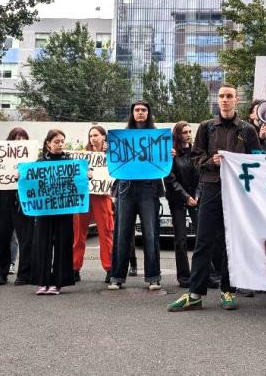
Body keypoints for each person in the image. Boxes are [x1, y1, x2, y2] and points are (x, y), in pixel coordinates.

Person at [167, 83, 262, 312]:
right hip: (211, 188)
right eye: (221, 96)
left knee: (231, 242)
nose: (225, 100)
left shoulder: (248, 130)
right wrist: (212, 162)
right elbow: (196, 158)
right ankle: (195, 293)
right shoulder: (206, 128)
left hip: (238, 193)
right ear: (217, 100)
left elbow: (258, 161)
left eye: (229, 96)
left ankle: (227, 290)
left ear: (236, 100)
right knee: (203, 240)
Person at [109, 100, 163, 291]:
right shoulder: (122, 137)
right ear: (132, 114)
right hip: (126, 188)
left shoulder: (157, 138)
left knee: (151, 233)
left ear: (149, 113)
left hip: (148, 189)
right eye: (137, 110)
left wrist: (169, 154)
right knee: (122, 233)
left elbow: (163, 163)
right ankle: (117, 276)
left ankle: (153, 277)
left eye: (144, 110)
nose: (140, 113)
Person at [30, 129, 76, 295]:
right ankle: (43, 282)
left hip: (64, 210)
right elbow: (30, 180)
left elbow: (80, 177)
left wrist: (88, 174)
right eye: (56, 141)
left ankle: (58, 283)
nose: (60, 144)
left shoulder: (70, 161)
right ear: (48, 143)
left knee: (63, 245)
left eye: (62, 141)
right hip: (44, 210)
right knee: (43, 245)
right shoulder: (39, 162)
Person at [0, 127, 33, 286]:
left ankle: (25, 274)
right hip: (2, 200)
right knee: (1, 238)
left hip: (24, 201)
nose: (20, 141)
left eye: (23, 138)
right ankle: (0, 273)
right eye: (16, 138)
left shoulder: (32, 158)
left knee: (26, 238)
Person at [72, 126, 115, 283]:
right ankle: (75, 268)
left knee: (106, 232)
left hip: (102, 196)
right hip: (83, 196)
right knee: (78, 233)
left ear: (104, 137)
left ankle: (110, 268)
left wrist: (109, 152)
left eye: (96, 135)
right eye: (91, 135)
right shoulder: (83, 155)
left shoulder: (111, 153)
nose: (93, 138)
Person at [163, 121, 200, 288]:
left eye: (189, 131)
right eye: (184, 132)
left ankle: (205, 273)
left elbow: (202, 176)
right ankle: (184, 277)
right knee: (181, 239)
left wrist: (196, 195)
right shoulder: (171, 154)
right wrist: (185, 197)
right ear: (178, 134)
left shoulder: (195, 151)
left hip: (195, 197)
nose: (188, 134)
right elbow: (169, 178)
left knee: (202, 237)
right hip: (178, 199)